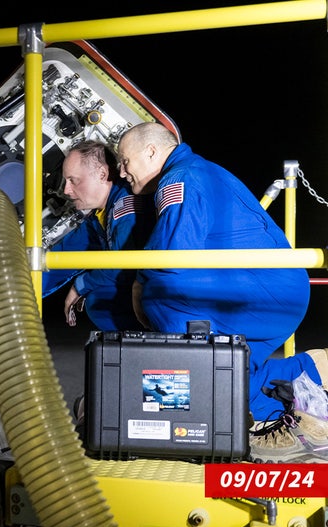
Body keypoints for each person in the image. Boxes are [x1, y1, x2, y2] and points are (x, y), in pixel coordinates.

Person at [116, 121, 327, 462]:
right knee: (238, 374)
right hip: (275, 292)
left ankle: (196, 410)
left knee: (161, 293)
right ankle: (310, 374)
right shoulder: (197, 170)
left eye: (125, 161)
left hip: (262, 292)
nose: (121, 171)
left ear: (151, 151)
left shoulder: (179, 177)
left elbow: (172, 255)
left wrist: (140, 284)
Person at [42, 139, 156, 332]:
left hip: (173, 296)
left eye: (73, 180)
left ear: (102, 174)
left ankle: (150, 353)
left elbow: (124, 266)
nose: (67, 190)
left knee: (100, 300)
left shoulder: (126, 208)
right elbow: (60, 260)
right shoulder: (100, 216)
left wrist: (80, 285)